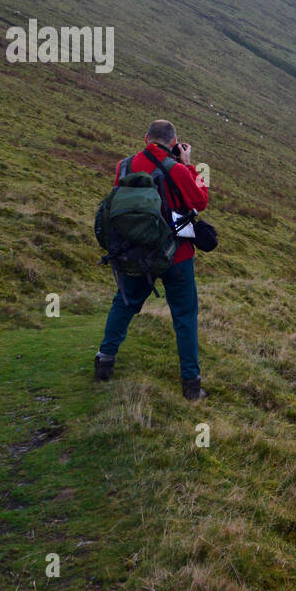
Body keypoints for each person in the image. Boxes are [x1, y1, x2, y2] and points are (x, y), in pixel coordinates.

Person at [94, 120, 210, 400]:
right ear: (174, 142)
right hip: (176, 255)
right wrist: (189, 164)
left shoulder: (123, 166)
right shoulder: (178, 169)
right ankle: (191, 385)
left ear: (146, 138)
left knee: (124, 304)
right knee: (184, 316)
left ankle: (104, 360)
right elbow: (200, 200)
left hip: (134, 254)